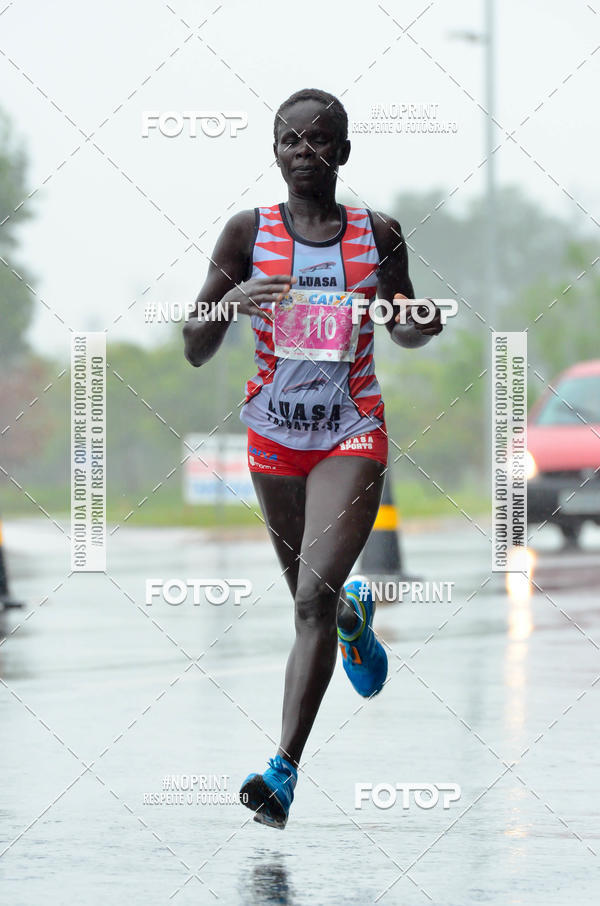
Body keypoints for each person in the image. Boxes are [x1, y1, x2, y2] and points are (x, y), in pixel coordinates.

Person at [183, 88, 443, 829]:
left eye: (320, 139)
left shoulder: (377, 233)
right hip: (272, 437)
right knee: (316, 600)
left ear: (344, 152)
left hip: (349, 435)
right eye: (291, 140)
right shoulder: (247, 234)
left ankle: (283, 772)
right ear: (274, 152)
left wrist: (416, 319)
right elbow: (194, 348)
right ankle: (355, 622)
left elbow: (406, 323)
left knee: (307, 600)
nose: (305, 152)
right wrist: (230, 304)